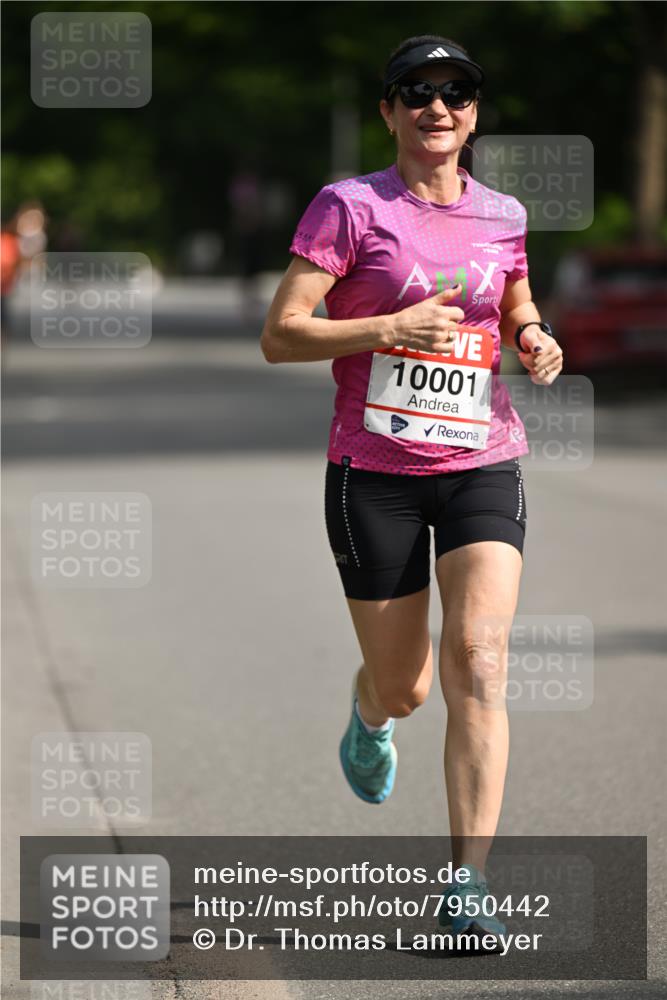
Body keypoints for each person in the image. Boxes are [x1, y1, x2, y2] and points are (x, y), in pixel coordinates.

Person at [260, 34, 563, 941]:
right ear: (388, 110)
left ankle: (465, 887)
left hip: (480, 457)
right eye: (417, 91)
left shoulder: (502, 212)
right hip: (373, 475)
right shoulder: (348, 207)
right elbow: (281, 333)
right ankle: (368, 710)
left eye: (457, 92)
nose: (439, 107)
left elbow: (509, 293)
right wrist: (388, 326)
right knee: (409, 688)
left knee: (480, 659)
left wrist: (533, 333)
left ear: (474, 112)